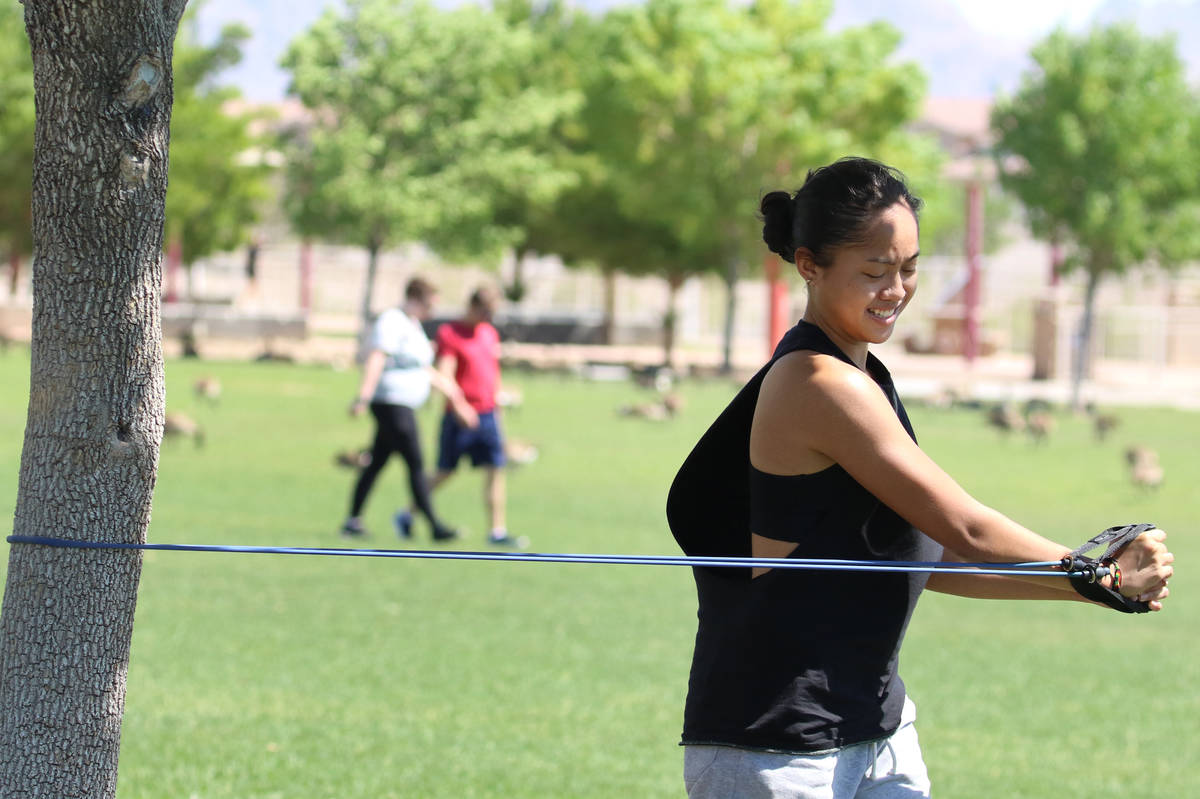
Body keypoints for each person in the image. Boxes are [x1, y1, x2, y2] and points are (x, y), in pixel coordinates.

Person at [665, 157, 1174, 799]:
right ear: (809, 266)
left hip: (877, 733)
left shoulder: (866, 379)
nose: (898, 289)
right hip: (778, 749)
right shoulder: (815, 383)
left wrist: (1088, 587)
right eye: (875, 271)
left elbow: (931, 555)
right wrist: (1097, 569)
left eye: (909, 269)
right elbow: (964, 523)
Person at [341, 277, 477, 541]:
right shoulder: (392, 321)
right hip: (392, 403)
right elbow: (376, 358)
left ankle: (352, 521)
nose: (431, 312)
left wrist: (451, 391)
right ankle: (435, 526)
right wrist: (363, 397)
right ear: (413, 299)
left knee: (377, 462)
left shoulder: (413, 325)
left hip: (404, 404)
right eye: (428, 305)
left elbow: (421, 367)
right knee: (415, 462)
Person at [421, 285, 526, 548]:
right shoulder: (451, 333)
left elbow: (492, 373)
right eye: (485, 312)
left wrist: (498, 406)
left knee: (495, 469)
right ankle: (408, 512)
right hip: (460, 416)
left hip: (488, 413)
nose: (488, 318)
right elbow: (445, 375)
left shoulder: (489, 333)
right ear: (472, 307)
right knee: (446, 471)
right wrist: (459, 406)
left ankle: (497, 531)